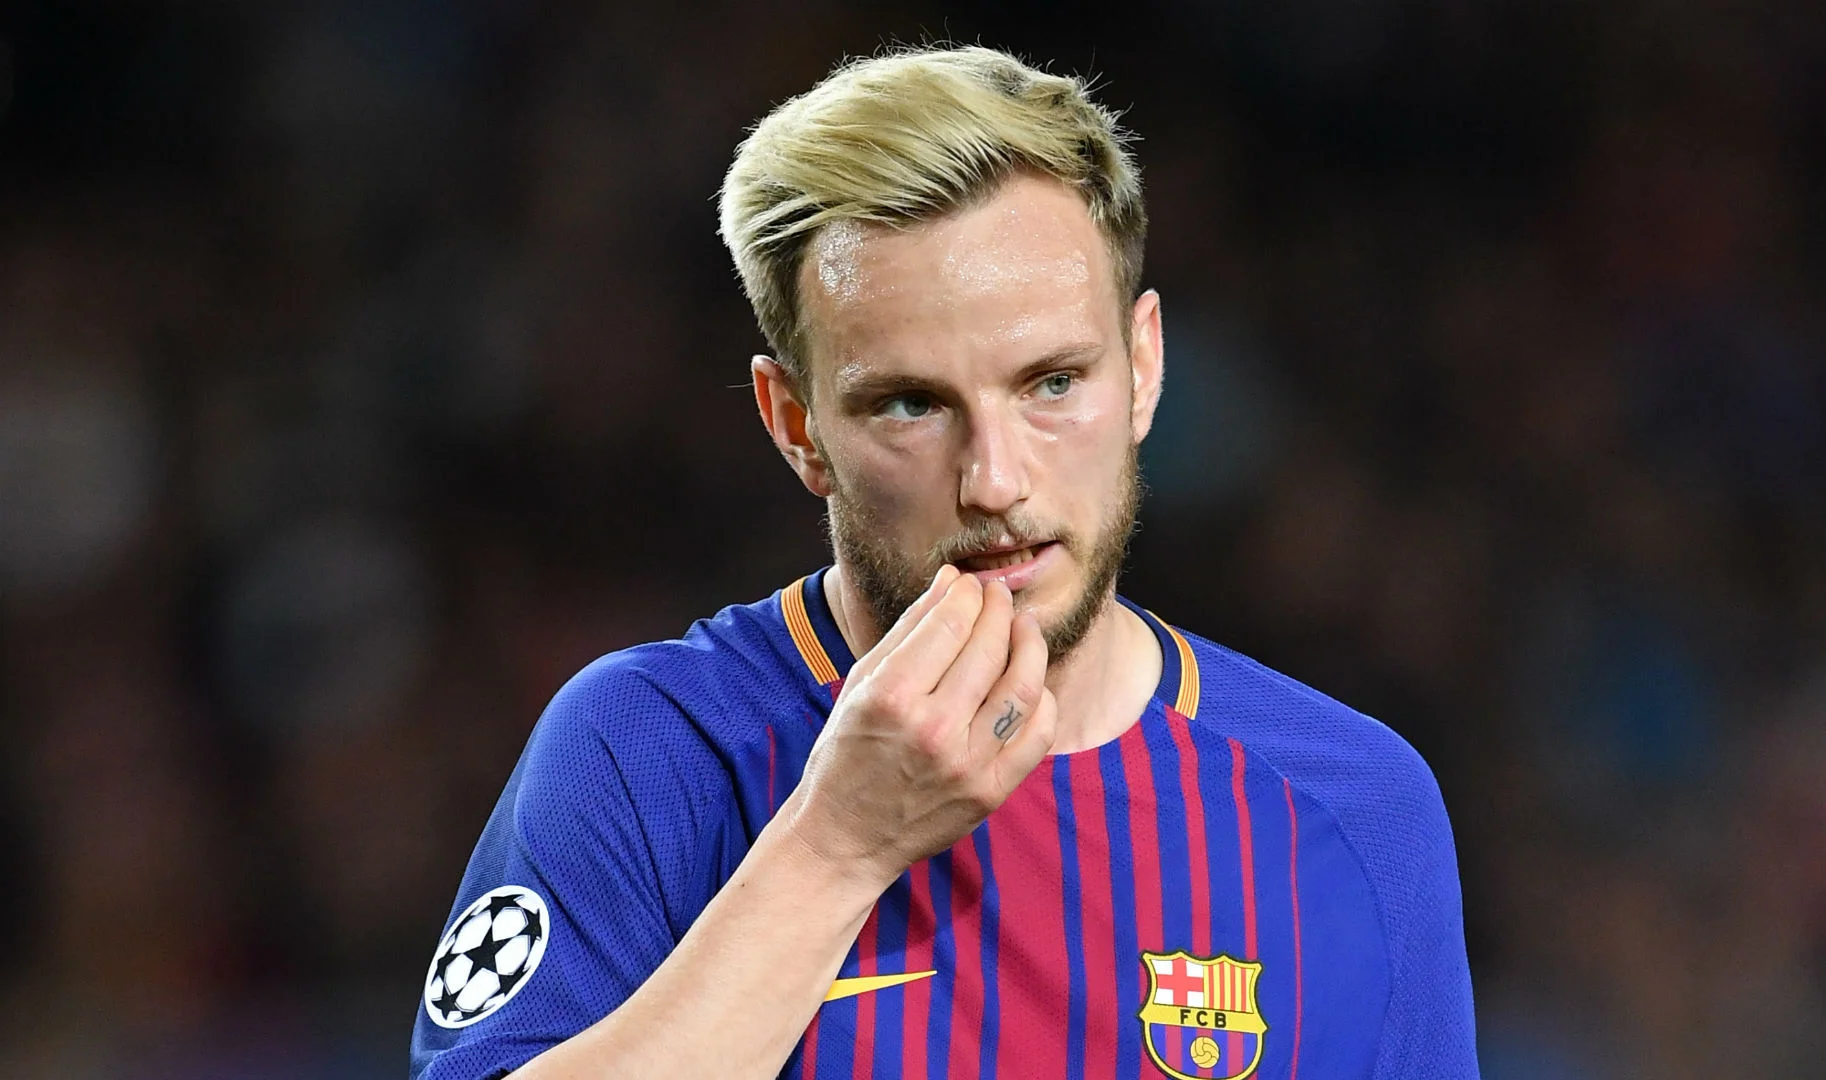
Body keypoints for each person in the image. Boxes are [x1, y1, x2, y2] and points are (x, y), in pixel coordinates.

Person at [410, 45, 1477, 1080]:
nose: (996, 480)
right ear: (797, 427)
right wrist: (834, 849)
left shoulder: (1353, 805)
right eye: (912, 404)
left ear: (1146, 366)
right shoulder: (649, 752)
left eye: (1053, 382)